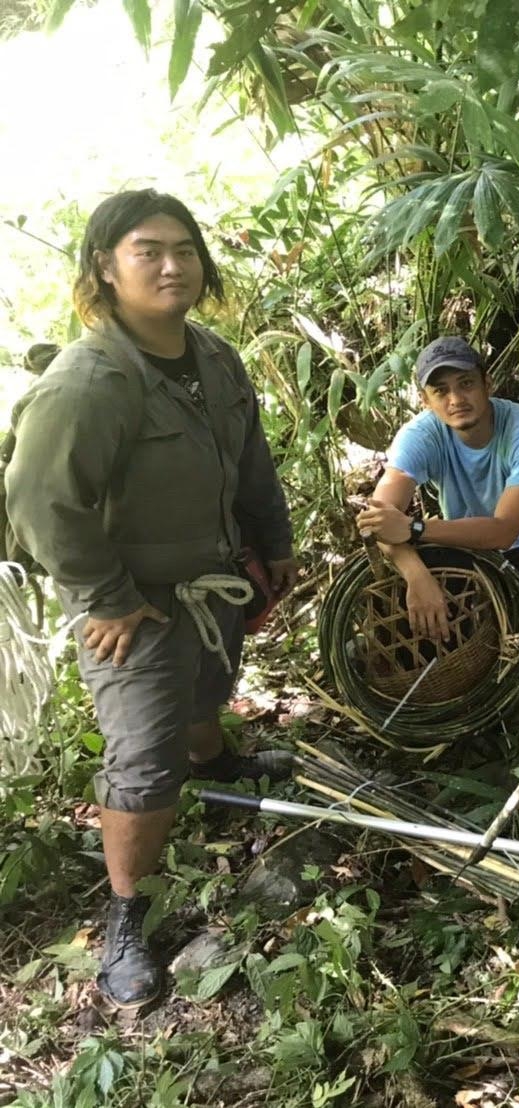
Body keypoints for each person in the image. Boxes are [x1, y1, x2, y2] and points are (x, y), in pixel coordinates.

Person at [4, 189, 298, 1008]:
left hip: (213, 575)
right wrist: (105, 598)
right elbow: (35, 501)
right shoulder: (91, 381)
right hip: (132, 600)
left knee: (211, 685)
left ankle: (217, 759)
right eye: (147, 251)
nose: (173, 266)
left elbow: (251, 462)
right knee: (141, 760)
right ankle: (127, 914)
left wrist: (273, 547)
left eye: (185, 249)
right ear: (105, 265)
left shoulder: (212, 358)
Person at [355, 336, 519, 640]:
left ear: (487, 384)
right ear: (425, 401)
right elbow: (378, 520)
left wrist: (413, 528)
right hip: (468, 551)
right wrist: (416, 574)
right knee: (389, 611)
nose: (456, 400)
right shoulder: (420, 436)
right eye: (441, 391)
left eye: (466, 384)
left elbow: (503, 531)